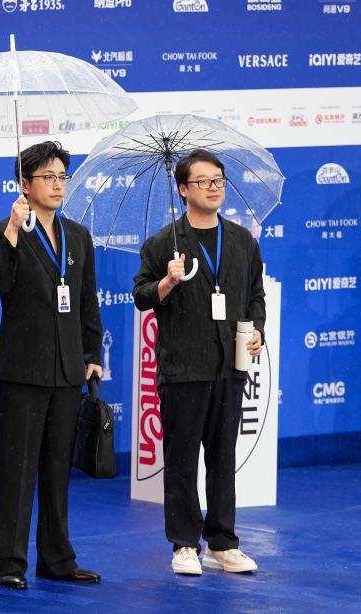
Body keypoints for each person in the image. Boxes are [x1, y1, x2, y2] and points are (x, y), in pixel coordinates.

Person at [132, 149, 265, 576]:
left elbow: (255, 296)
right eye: (204, 181)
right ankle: (185, 543)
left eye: (219, 180)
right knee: (183, 458)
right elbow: (141, 297)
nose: (214, 188)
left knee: (223, 458)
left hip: (230, 365)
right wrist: (168, 281)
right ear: (183, 189)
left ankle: (223, 543)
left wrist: (257, 330)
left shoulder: (242, 241)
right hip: (183, 368)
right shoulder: (163, 244)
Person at [0, 141, 103, 590]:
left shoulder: (77, 235)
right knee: (14, 469)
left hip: (68, 370)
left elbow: (86, 300)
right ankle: (8, 561)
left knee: (57, 469)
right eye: (47, 177)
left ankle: (56, 557)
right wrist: (14, 231)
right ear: (24, 184)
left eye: (61, 177)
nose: (57, 185)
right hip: (22, 369)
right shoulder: (2, 231)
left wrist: (91, 355)